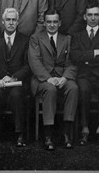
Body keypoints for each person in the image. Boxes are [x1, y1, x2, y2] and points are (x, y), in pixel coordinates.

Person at [28, 10, 79, 150]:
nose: (52, 25)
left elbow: (72, 62)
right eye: (49, 22)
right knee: (50, 90)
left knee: (73, 88)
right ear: (44, 23)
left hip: (62, 77)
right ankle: (48, 135)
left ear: (60, 23)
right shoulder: (35, 38)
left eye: (55, 22)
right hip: (42, 79)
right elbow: (35, 62)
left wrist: (65, 78)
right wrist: (49, 79)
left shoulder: (67, 39)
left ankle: (66, 133)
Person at [70, 4, 99, 146]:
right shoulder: (77, 36)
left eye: (96, 15)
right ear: (85, 17)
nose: (93, 18)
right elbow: (75, 56)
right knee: (82, 89)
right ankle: (85, 129)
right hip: (84, 75)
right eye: (90, 15)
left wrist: (86, 57)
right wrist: (95, 53)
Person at [0, 7, 31, 147]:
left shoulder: (25, 40)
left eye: (14, 20)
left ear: (18, 22)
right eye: (8, 20)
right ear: (2, 22)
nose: (11, 23)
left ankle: (20, 134)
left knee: (17, 95)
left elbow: (28, 65)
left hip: (17, 83)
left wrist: (14, 77)